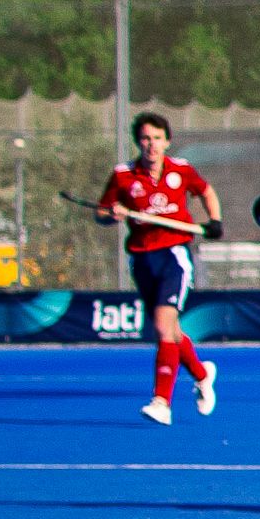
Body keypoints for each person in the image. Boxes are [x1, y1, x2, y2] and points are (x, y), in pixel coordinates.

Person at [94, 111, 222, 425]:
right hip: (142, 258)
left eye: (157, 139)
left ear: (167, 141)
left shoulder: (181, 170)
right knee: (171, 332)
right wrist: (112, 215)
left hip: (174, 256)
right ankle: (203, 374)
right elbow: (101, 212)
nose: (152, 145)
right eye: (146, 139)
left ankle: (161, 402)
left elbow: (206, 191)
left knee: (164, 327)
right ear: (138, 142)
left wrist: (214, 220)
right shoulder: (124, 175)